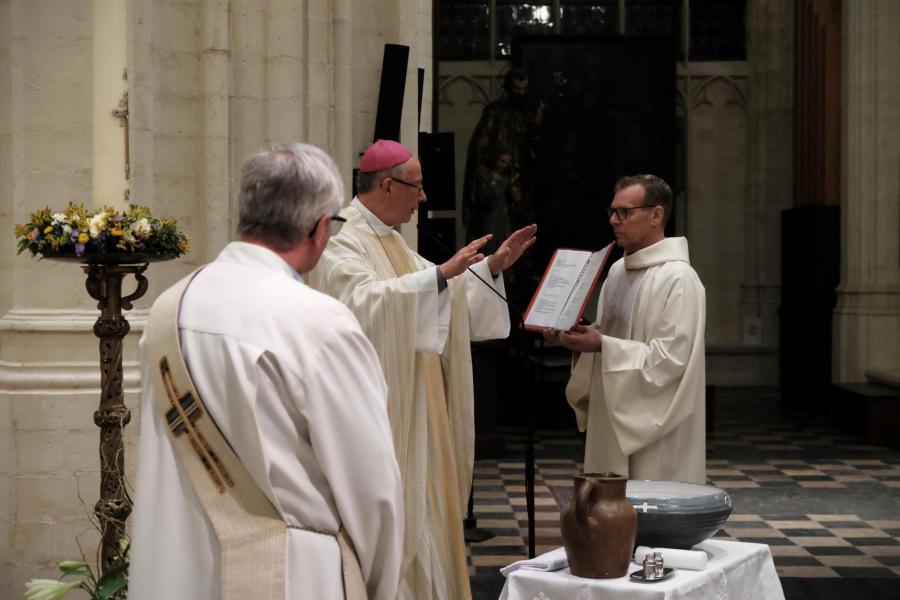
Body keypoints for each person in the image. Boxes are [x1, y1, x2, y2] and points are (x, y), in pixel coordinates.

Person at [130, 144, 404, 600]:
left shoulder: (169, 308)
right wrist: (376, 585)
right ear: (319, 228)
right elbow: (372, 489)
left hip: (175, 564)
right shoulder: (319, 322)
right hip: (292, 574)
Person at [307, 139, 536, 600]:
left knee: (425, 508)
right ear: (388, 185)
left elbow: (440, 289)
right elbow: (358, 303)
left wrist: (491, 267)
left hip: (420, 400)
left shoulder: (388, 238)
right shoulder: (342, 236)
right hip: (384, 406)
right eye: (418, 187)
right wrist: (440, 275)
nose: (424, 198)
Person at [545, 174, 706, 484]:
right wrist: (577, 338)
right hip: (614, 414)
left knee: (651, 514)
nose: (614, 221)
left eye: (625, 213)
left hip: (656, 429)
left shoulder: (679, 279)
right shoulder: (618, 271)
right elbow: (605, 335)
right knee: (611, 515)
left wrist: (602, 345)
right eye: (613, 212)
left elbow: (670, 361)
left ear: (656, 215)